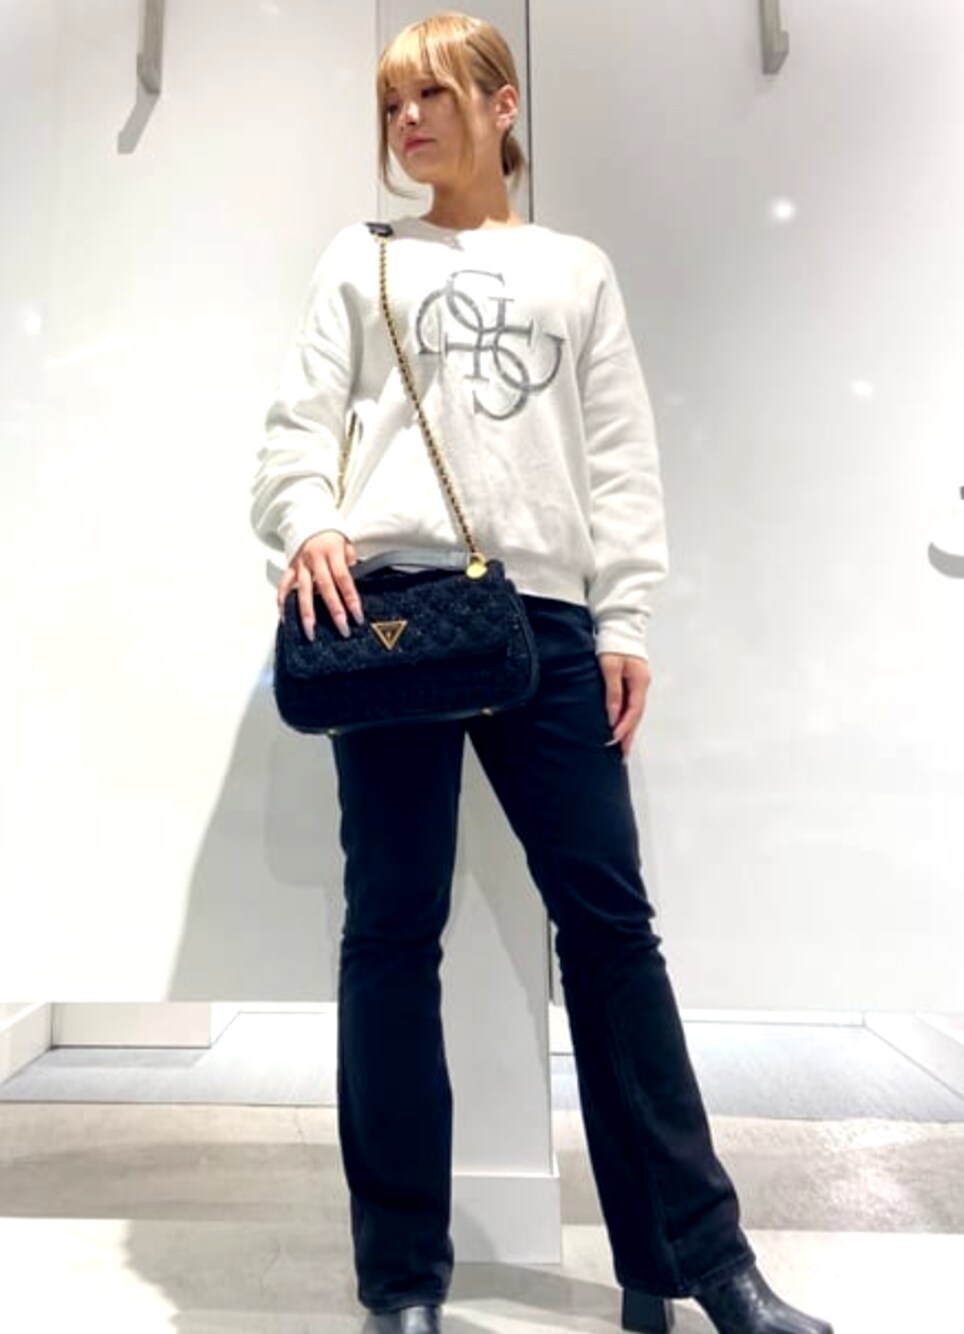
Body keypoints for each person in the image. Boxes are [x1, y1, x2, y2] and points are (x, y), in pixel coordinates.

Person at [251, 12, 834, 1334]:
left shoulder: (577, 270)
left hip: (548, 623)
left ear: (502, 104)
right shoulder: (363, 258)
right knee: (390, 934)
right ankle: (402, 1279)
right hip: (390, 616)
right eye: (391, 104)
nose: (407, 121)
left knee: (612, 929)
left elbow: (620, 454)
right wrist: (311, 521)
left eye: (432, 95)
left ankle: (697, 1260)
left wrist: (625, 620)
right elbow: (295, 429)